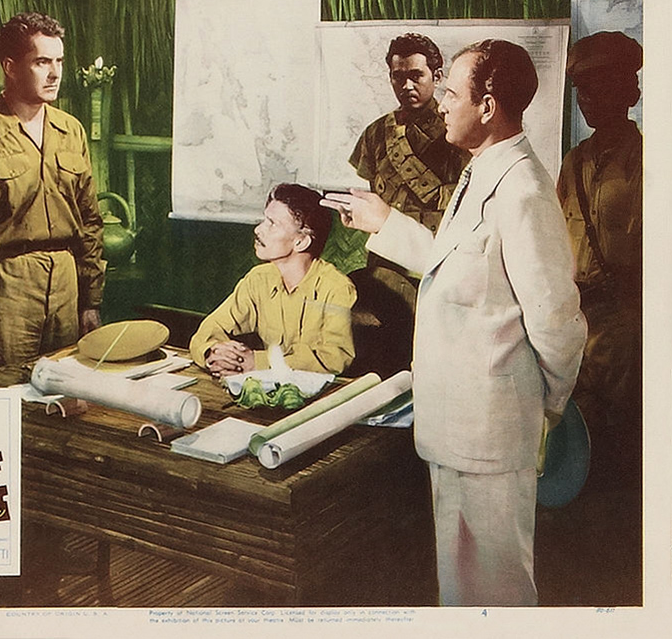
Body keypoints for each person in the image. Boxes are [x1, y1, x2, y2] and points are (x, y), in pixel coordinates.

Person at [323, 40, 586, 606]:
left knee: (498, 593)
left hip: (493, 432)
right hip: (460, 429)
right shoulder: (483, 170)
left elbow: (557, 321)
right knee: (462, 591)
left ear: (487, 107)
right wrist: (384, 221)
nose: (440, 102)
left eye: (450, 91)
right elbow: (457, 267)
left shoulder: (522, 190)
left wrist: (541, 407)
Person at [0, 12, 105, 375]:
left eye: (59, 61)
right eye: (42, 62)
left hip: (66, 286)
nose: (55, 73)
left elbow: (90, 222)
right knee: (5, 390)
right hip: (6, 289)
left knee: (68, 393)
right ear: (10, 67)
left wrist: (90, 300)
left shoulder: (71, 131)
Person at [347, 33, 468, 375]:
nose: (406, 85)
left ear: (437, 76)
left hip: (431, 268)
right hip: (384, 268)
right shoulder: (376, 134)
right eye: (398, 77)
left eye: (416, 75)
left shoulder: (456, 135)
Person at [556, 31, 642, 477]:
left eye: (599, 86)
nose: (587, 98)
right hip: (577, 315)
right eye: (581, 89)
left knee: (623, 435)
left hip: (627, 319)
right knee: (579, 427)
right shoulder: (574, 161)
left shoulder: (647, 159)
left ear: (629, 93)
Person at [190, 183, 356, 377]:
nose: (258, 230)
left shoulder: (336, 288)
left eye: (272, 223)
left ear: (301, 241)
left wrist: (258, 363)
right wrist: (215, 353)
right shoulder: (258, 279)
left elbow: (334, 358)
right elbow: (211, 328)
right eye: (264, 220)